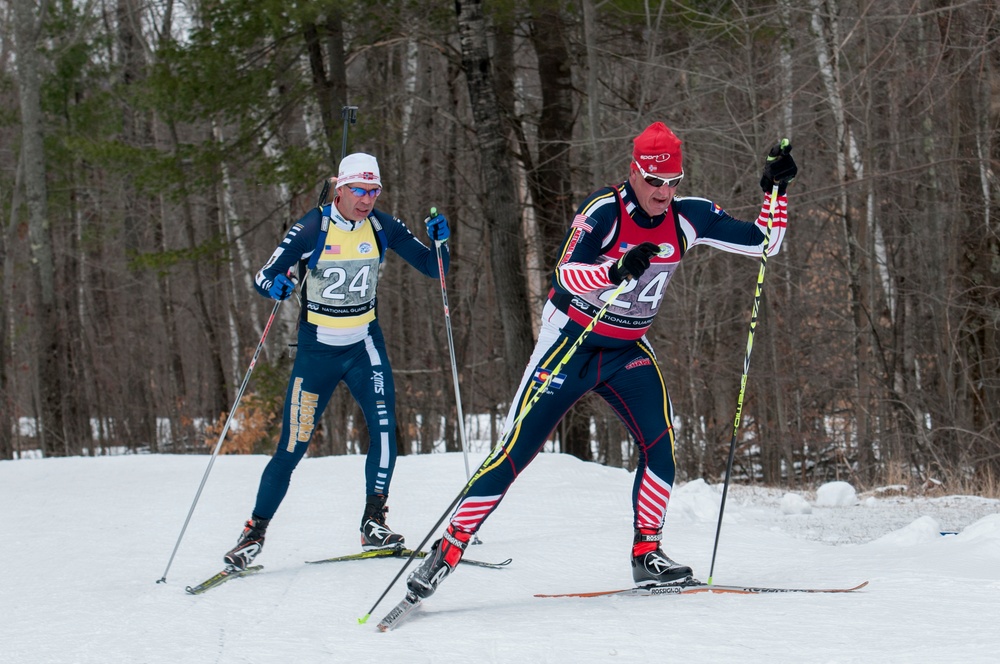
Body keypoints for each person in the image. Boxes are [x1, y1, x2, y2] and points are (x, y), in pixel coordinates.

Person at [406, 122, 797, 598]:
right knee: (514, 452)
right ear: (634, 172)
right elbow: (566, 274)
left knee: (661, 448)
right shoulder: (604, 211)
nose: (663, 193)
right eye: (654, 181)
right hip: (570, 341)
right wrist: (612, 270)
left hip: (626, 349)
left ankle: (646, 554)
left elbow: (765, 243)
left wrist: (775, 191)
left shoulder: (689, 217)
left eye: (673, 182)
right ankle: (448, 548)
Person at [223, 152, 452, 570]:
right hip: (317, 353)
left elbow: (433, 269)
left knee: (385, 429)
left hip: (365, 346)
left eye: (374, 191)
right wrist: (274, 285)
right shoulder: (314, 226)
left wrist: (440, 242)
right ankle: (253, 532)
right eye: (359, 190)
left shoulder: (382, 225)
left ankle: (373, 521)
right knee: (292, 447)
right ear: (339, 188)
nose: (367, 199)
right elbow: (263, 275)